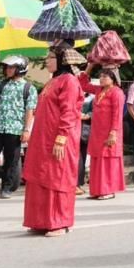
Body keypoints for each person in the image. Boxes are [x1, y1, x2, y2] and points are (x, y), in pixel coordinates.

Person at [22, 41, 85, 237]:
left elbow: (69, 111)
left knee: (58, 177)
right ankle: (40, 220)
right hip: (43, 138)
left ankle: (60, 222)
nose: (47, 61)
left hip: (59, 138)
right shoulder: (52, 81)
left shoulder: (69, 81)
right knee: (41, 177)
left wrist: (62, 137)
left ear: (61, 60)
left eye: (50, 57)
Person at [0, 55, 38, 199]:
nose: (7, 70)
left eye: (11, 67)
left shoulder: (29, 88)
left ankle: (7, 188)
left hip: (15, 129)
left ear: (20, 69)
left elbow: (29, 111)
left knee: (12, 160)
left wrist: (27, 130)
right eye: (7, 67)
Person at [78, 65, 126, 200]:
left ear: (113, 78)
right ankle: (97, 190)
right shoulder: (99, 90)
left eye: (105, 76)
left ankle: (108, 190)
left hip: (110, 131)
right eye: (100, 76)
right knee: (97, 160)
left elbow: (117, 115)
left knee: (107, 161)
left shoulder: (117, 92)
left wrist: (113, 132)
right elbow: (82, 85)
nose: (101, 79)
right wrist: (89, 67)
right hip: (97, 131)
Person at [76, 93, 93, 195]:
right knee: (78, 157)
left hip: (85, 130)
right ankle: (75, 184)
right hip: (74, 128)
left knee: (82, 156)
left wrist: (87, 115)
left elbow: (95, 111)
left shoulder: (93, 98)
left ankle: (78, 183)